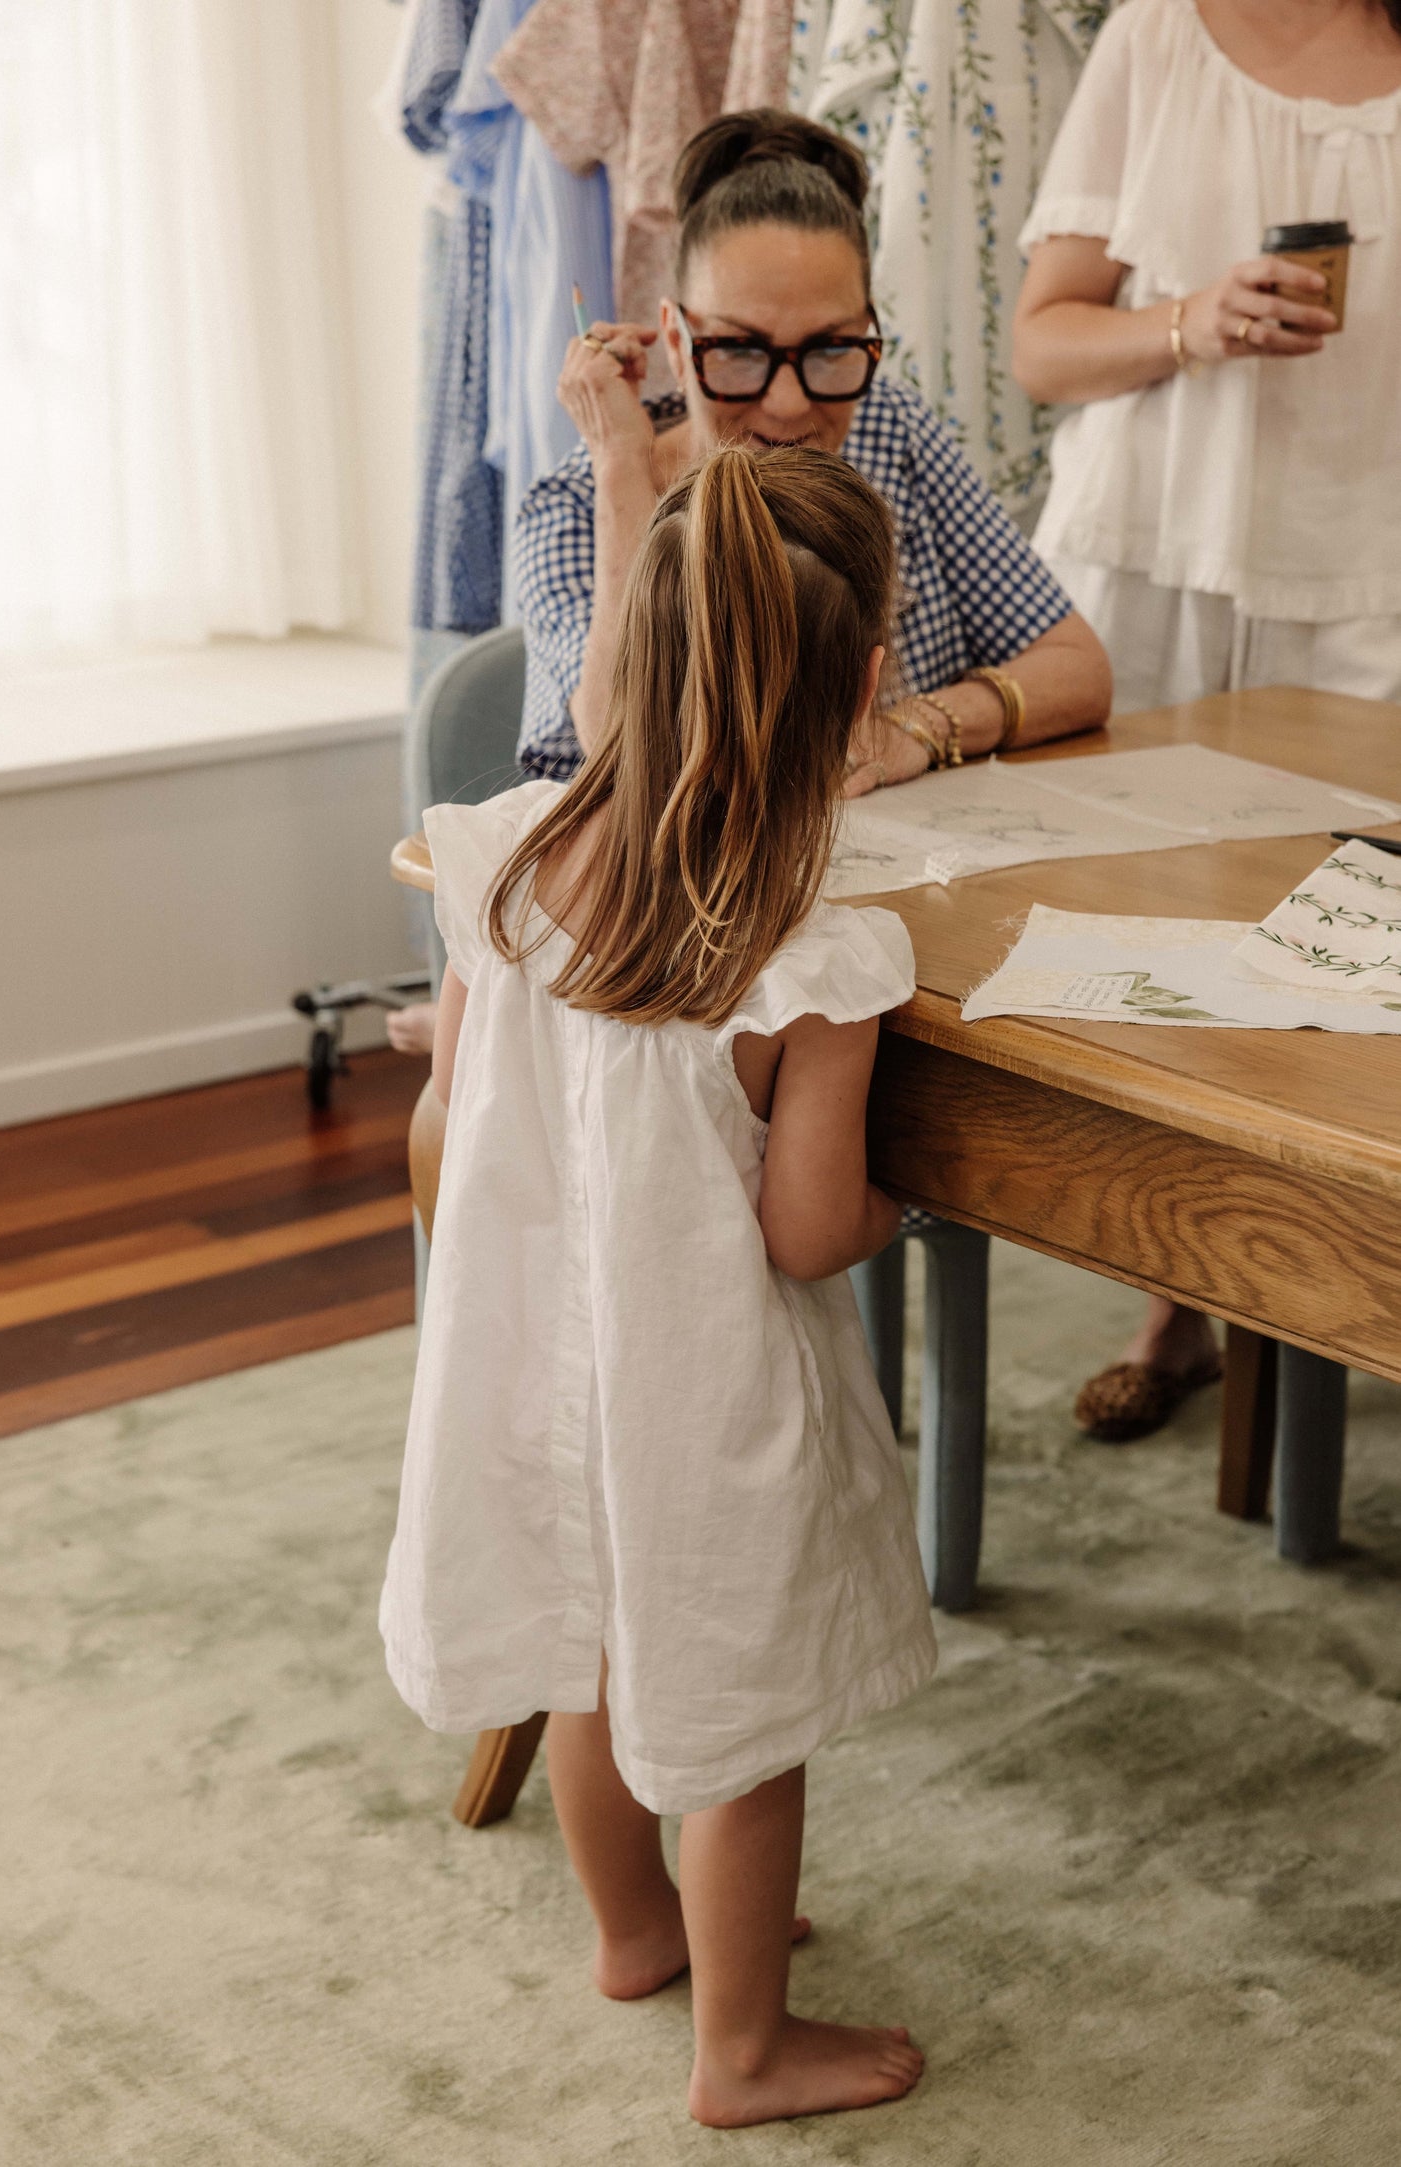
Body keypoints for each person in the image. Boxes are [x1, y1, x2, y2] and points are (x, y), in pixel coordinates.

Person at [380, 442, 936, 2128]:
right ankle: (747, 2053)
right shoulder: (813, 947)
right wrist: (912, 1184)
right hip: (701, 1390)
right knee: (738, 1722)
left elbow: (471, 1104)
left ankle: (637, 1934)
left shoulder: (503, 859)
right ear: (845, 688)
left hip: (532, 1354)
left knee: (588, 1656)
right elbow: (806, 1230)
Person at [1012, 0, 1401, 1442]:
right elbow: (1040, 347)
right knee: (1152, 941)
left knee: (1345, 965)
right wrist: (1189, 321)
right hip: (1156, 556)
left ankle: (1327, 1289)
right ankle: (1176, 1301)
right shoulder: (1156, 38)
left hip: (1369, 571)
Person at [517, 107, 1112, 793]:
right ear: (675, 342)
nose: (790, 404)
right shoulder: (574, 504)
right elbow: (620, 747)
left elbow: (1076, 668)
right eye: (740, 351)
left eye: (830, 349)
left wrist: (915, 728)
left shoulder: (888, 425)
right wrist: (621, 467)